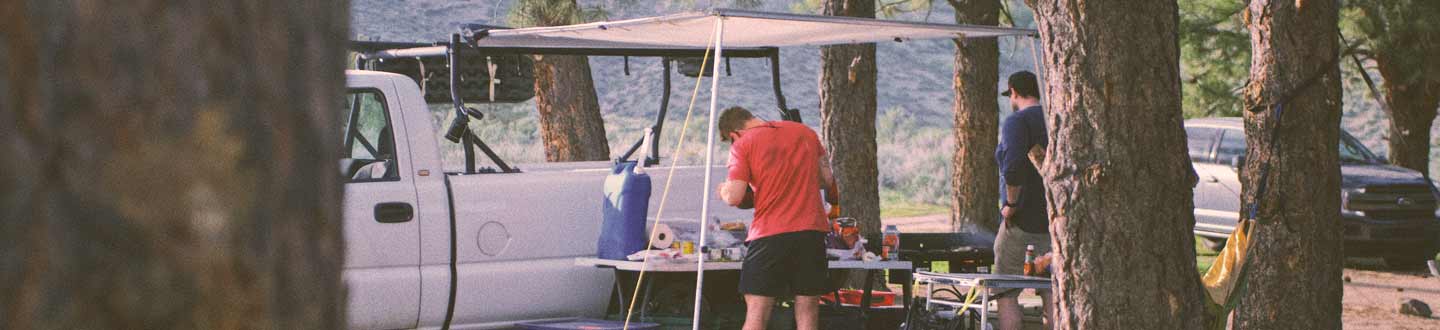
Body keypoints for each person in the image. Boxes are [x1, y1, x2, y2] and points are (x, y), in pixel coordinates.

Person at [716, 106, 838, 330]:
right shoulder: (805, 132)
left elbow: (735, 197)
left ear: (733, 134)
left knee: (758, 310)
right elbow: (827, 179)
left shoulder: (742, 145)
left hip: (770, 233)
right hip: (811, 231)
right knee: (808, 306)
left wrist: (722, 189)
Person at [993, 71, 1054, 330]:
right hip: (1054, 222)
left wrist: (1011, 204)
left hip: (1022, 223)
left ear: (1014, 92)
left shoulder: (1017, 122)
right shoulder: (1055, 119)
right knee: (1052, 291)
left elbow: (1013, 166)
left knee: (1006, 292)